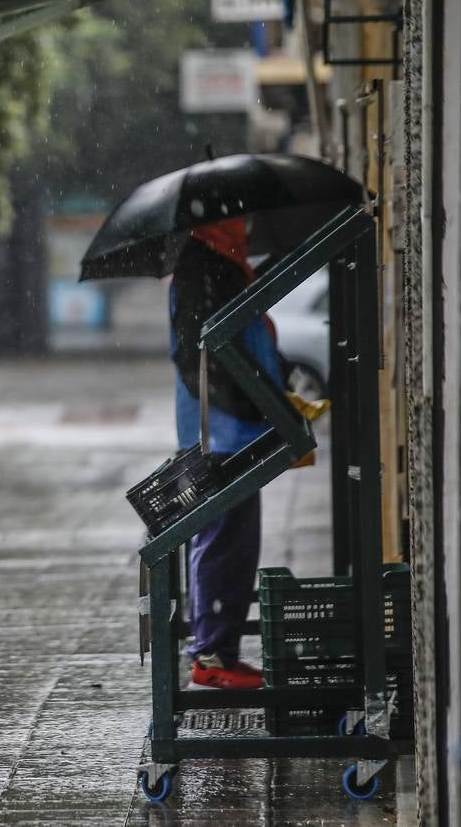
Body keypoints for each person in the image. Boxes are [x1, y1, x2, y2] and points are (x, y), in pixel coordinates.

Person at [169, 217, 283, 691]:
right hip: (222, 432)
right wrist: (257, 405)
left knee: (236, 543)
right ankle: (212, 652)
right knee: (224, 540)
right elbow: (200, 354)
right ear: (215, 226)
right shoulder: (205, 269)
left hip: (235, 428)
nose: (246, 229)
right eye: (237, 220)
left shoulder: (222, 266)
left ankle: (221, 649)